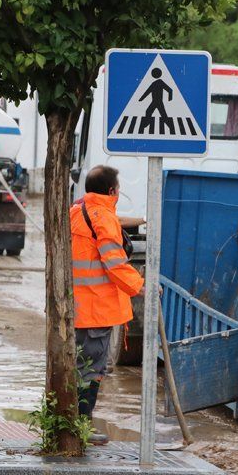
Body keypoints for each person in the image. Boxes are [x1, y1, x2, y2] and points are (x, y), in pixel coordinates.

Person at [70, 165, 144, 442]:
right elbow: (114, 263)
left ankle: (74, 424)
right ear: (112, 190)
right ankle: (82, 428)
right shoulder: (104, 219)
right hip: (96, 310)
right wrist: (140, 286)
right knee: (92, 370)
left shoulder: (76, 211)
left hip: (77, 307)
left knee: (79, 368)